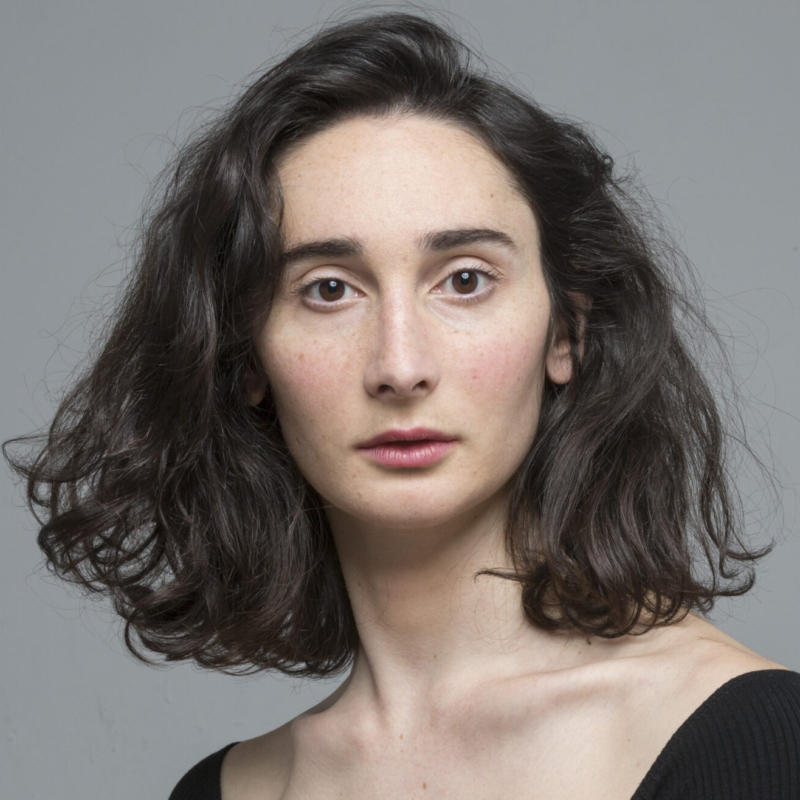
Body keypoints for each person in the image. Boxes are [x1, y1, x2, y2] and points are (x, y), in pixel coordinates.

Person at [5, 10, 799, 800]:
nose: (400, 366)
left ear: (567, 334)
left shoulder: (754, 743)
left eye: (464, 280)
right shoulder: (226, 790)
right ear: (247, 358)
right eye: (328, 291)